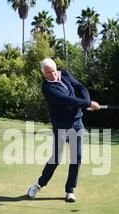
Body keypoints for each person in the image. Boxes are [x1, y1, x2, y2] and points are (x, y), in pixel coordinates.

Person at [27, 58, 100, 202]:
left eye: (53, 71)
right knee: (56, 158)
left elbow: (81, 87)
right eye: (48, 73)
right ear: (43, 74)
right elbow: (66, 100)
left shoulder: (64, 74)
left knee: (76, 158)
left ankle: (70, 191)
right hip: (61, 126)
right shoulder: (47, 88)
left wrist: (86, 102)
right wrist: (88, 103)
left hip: (77, 123)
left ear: (56, 68)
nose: (52, 75)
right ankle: (39, 184)